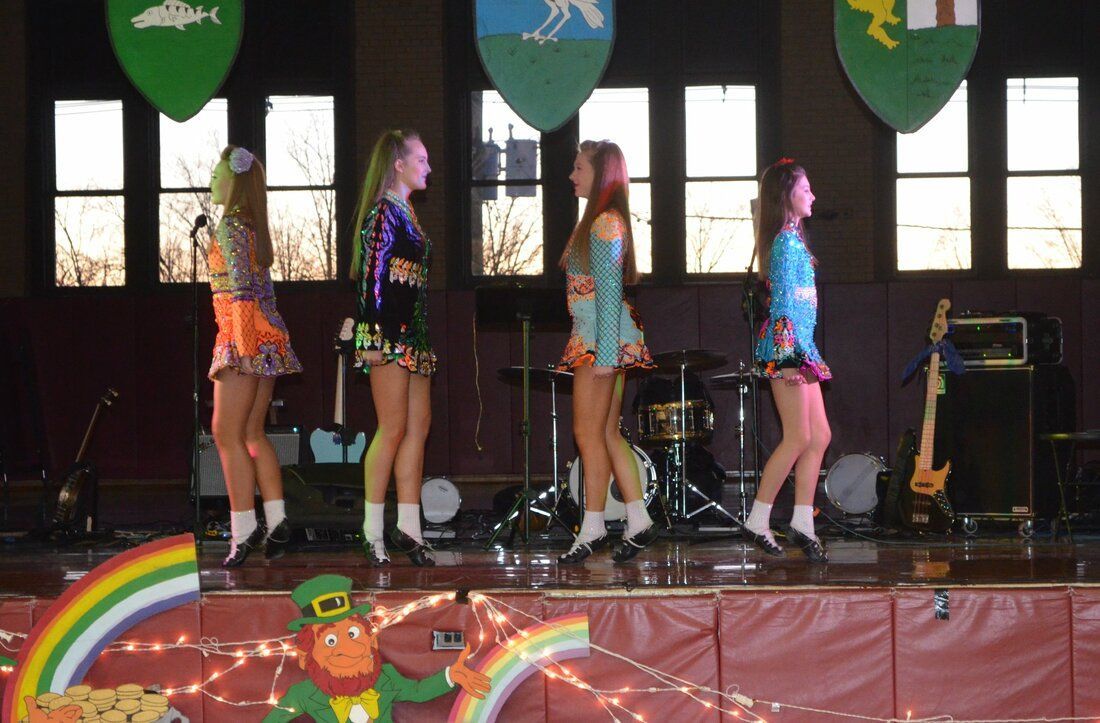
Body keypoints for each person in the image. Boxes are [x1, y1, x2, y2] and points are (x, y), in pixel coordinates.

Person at [556, 140, 657, 564]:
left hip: (600, 341)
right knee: (607, 433)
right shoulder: (602, 222)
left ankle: (595, 526)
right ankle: (636, 519)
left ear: (600, 174)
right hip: (603, 340)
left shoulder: (603, 225)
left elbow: (610, 292)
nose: (572, 175)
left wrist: (606, 357)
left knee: (588, 433)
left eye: (578, 167)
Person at [208, 145, 302, 567]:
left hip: (243, 339)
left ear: (233, 181)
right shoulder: (253, 227)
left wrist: (242, 350)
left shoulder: (230, 227)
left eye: (215, 175)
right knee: (251, 433)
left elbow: (242, 291)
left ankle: (243, 531)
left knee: (225, 433)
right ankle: (277, 518)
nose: (211, 181)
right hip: (270, 339)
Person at [351, 130, 436, 567]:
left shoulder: (407, 213)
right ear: (399, 164)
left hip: (414, 336)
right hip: (387, 334)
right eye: (420, 160)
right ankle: (371, 530)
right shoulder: (383, 213)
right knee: (392, 427)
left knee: (417, 427)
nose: (428, 167)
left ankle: (409, 528)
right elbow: (372, 277)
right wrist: (373, 337)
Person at [746, 158, 832, 563]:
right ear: (787, 197)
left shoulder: (793, 241)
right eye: (805, 189)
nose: (812, 195)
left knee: (819, 436)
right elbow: (782, 305)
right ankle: (758, 518)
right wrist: (792, 358)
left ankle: (802, 520)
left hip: (801, 345)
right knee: (798, 436)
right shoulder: (783, 242)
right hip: (788, 347)